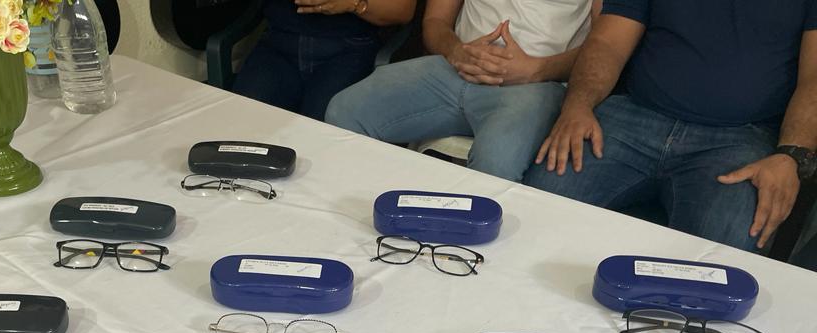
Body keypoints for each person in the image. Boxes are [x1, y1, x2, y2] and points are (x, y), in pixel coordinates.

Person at [525, 1, 817, 253]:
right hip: (633, 115)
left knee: (725, 249)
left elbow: (814, 77)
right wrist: (578, 105)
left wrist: (791, 155)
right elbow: (608, 42)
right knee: (539, 206)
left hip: (739, 139)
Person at [325, 0, 600, 182]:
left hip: (536, 85)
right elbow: (435, 21)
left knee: (496, 160)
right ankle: (368, 220)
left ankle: (469, 245)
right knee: (345, 112)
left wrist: (536, 70)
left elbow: (604, 48)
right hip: (454, 69)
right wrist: (456, 51)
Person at [232, 0, 417, 122]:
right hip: (278, 42)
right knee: (241, 131)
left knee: (322, 139)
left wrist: (353, 3)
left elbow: (402, 11)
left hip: (350, 49)